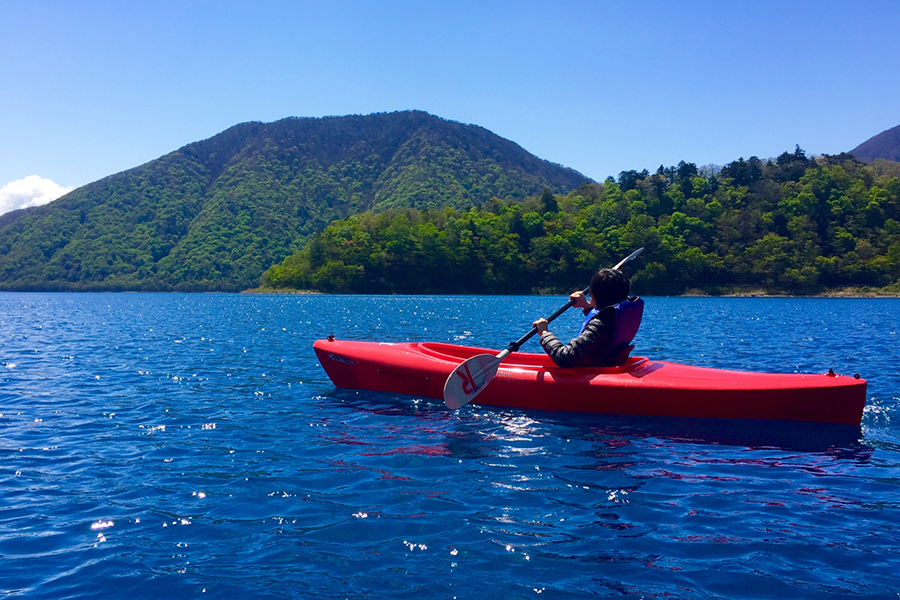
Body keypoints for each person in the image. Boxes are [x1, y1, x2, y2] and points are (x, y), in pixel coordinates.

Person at [532, 268, 632, 368]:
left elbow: (565, 358)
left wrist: (545, 333)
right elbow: (604, 323)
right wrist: (586, 306)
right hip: (606, 366)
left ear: (592, 296)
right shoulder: (619, 317)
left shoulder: (600, 326)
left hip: (593, 374)